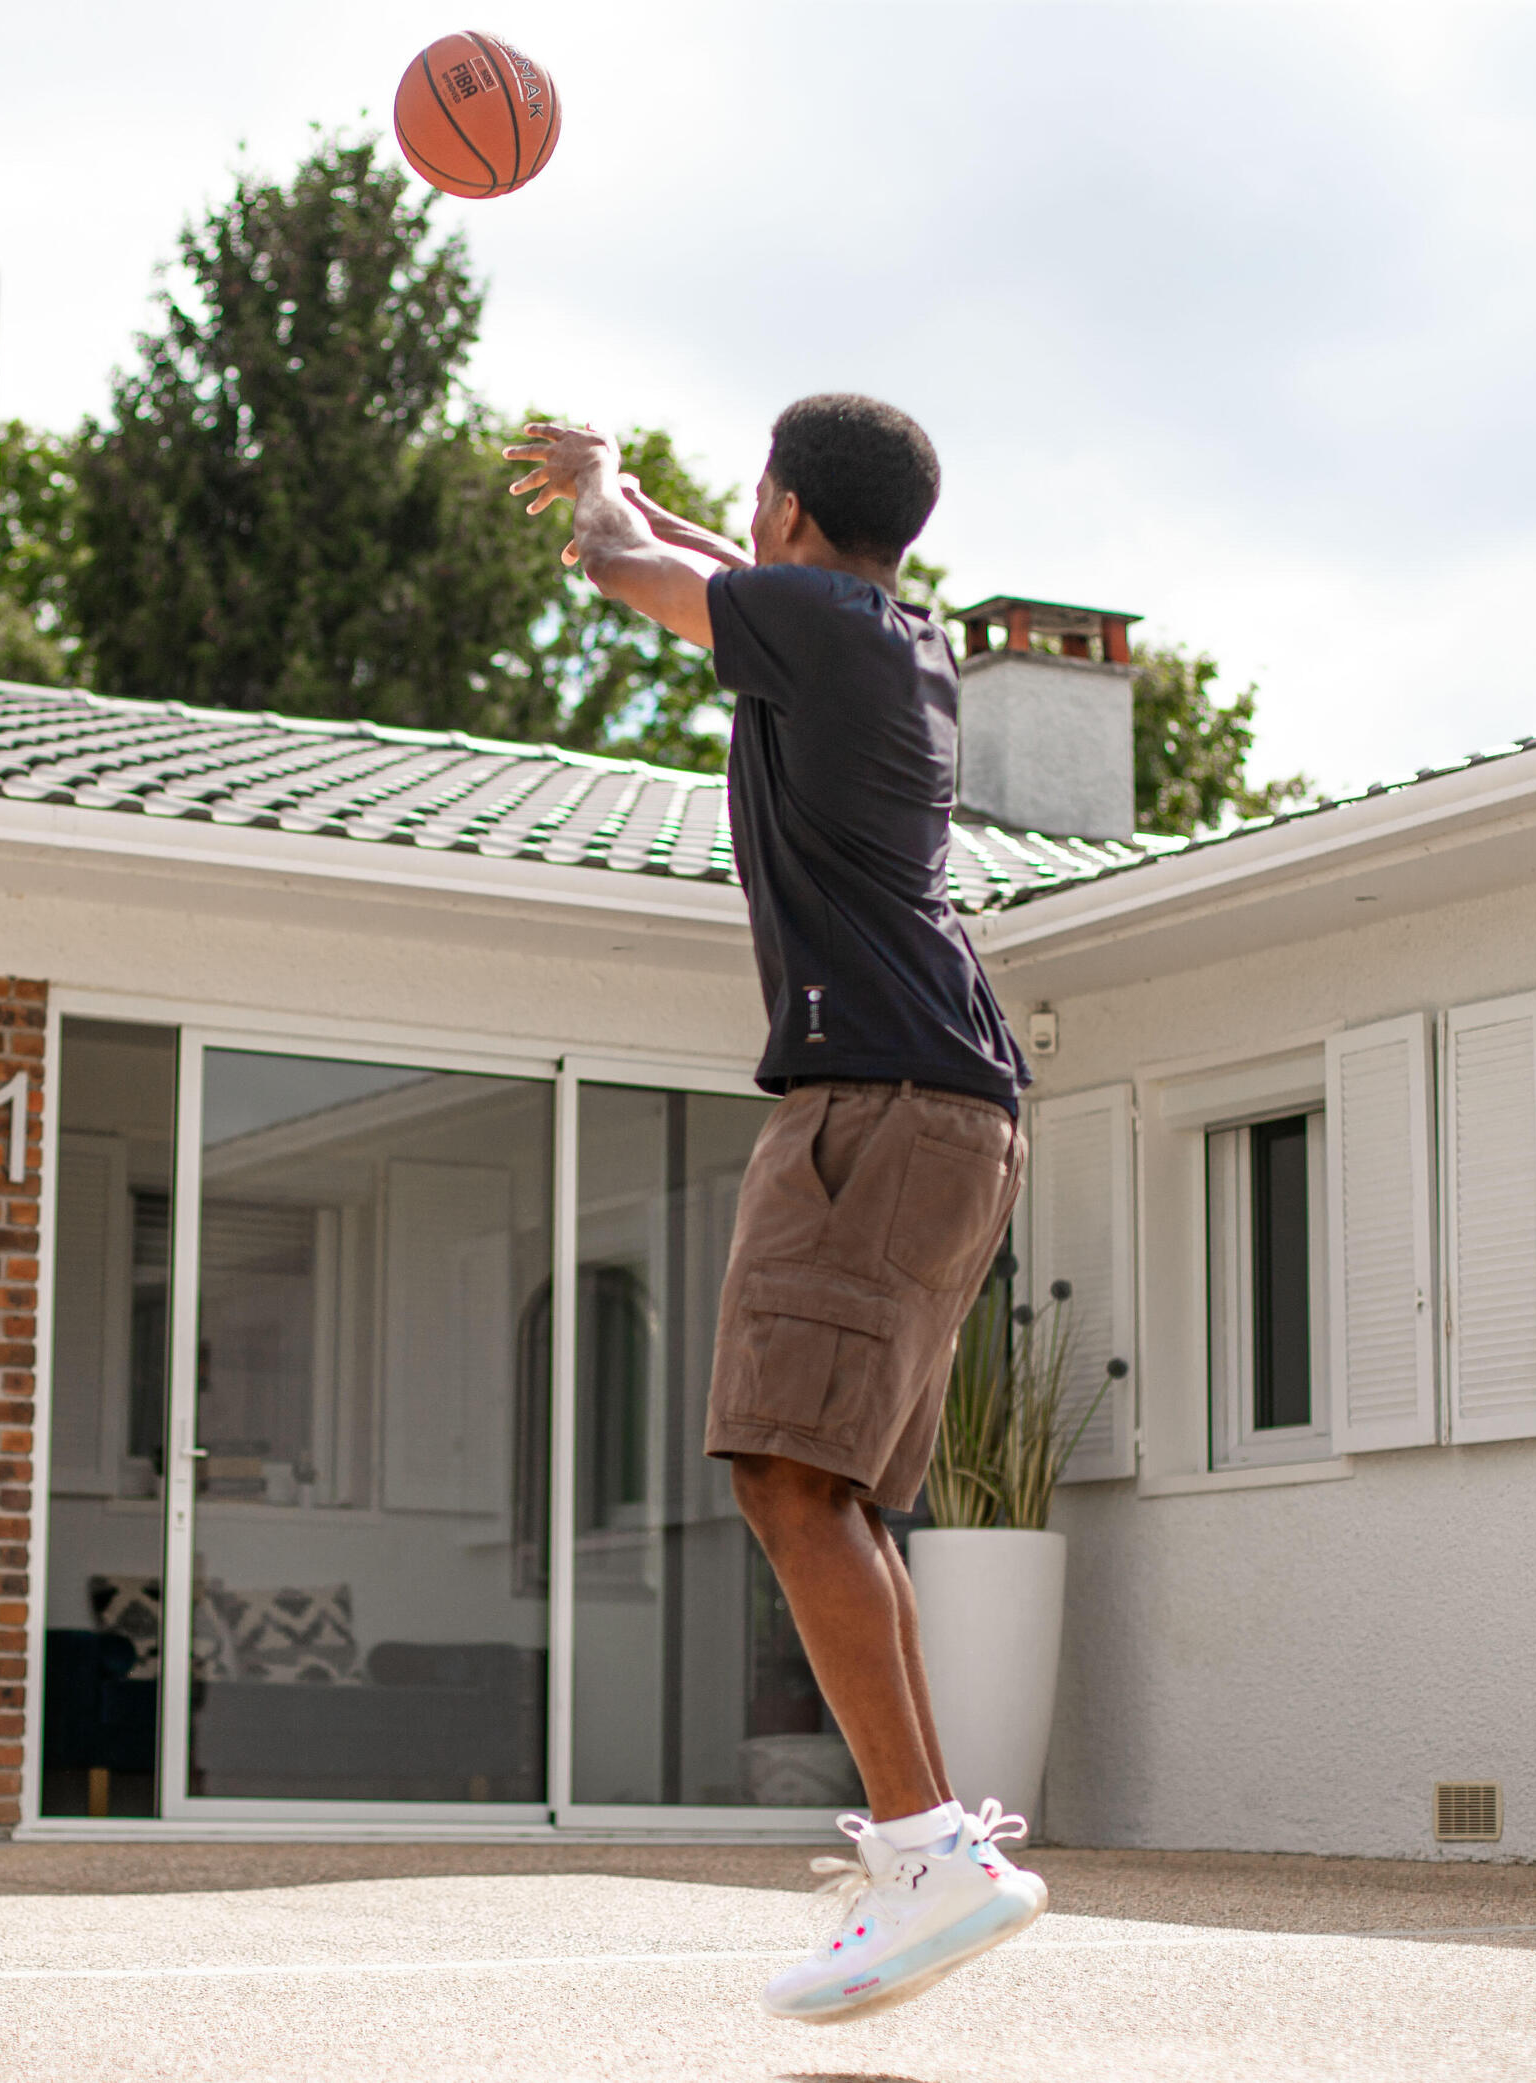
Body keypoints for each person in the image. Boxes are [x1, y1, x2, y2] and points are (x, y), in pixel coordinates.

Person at [510, 397, 1045, 2020]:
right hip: (941, 1105)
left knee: (787, 1481)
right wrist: (672, 509)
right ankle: (930, 1852)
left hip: (871, 1106)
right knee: (824, 1492)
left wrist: (602, 481)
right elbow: (711, 564)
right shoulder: (883, 629)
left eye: (756, 505)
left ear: (795, 507)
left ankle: (927, 1850)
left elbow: (615, 562)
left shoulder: (813, 622)